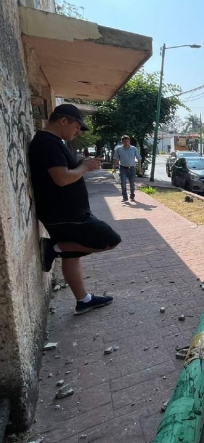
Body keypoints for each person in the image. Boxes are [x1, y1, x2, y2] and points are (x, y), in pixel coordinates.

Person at [29, 104, 121, 315]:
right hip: (66, 215)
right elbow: (61, 178)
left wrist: (81, 163)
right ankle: (54, 248)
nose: (78, 132)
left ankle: (83, 300)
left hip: (66, 213)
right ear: (63, 121)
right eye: (77, 127)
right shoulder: (47, 144)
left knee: (72, 255)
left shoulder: (53, 143)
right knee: (109, 239)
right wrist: (84, 167)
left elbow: (65, 170)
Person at [113, 135, 141, 202]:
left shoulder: (134, 149)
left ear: (129, 141)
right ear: (122, 142)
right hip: (123, 168)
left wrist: (140, 169)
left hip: (132, 168)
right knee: (123, 183)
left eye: (128, 141)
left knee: (132, 183)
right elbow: (115, 159)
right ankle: (125, 197)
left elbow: (139, 158)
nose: (126, 143)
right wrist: (114, 169)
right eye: (125, 141)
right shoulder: (119, 149)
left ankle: (132, 195)